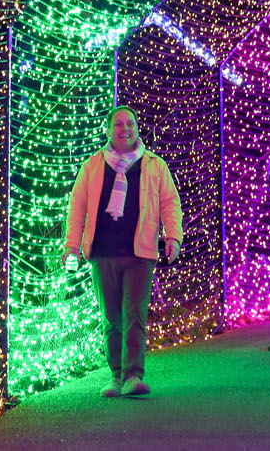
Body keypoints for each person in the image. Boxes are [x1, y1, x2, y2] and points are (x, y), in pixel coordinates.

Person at [61, 106, 184, 397]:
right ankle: (115, 375)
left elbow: (170, 203)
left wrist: (173, 237)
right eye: (118, 124)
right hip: (103, 252)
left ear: (137, 128)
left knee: (134, 315)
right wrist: (71, 246)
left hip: (140, 254)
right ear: (108, 130)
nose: (125, 128)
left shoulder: (154, 165)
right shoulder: (92, 166)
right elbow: (77, 208)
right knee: (111, 316)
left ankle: (133, 375)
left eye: (130, 123)